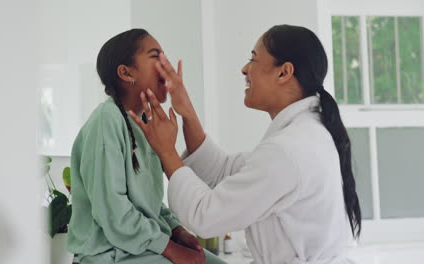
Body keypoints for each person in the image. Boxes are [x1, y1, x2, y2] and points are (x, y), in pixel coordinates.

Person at [129, 25, 362, 264]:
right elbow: (222, 170)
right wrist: (186, 111)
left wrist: (167, 151)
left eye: (253, 59)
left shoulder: (288, 151)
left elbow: (205, 217)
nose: (244, 69)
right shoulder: (304, 135)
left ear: (284, 73)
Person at [67, 28, 226, 264]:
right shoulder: (106, 120)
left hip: (139, 250)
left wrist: (176, 230)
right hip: (108, 255)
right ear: (126, 72)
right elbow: (113, 212)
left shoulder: (144, 125)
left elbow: (147, 203)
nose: (166, 63)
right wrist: (171, 249)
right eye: (155, 55)